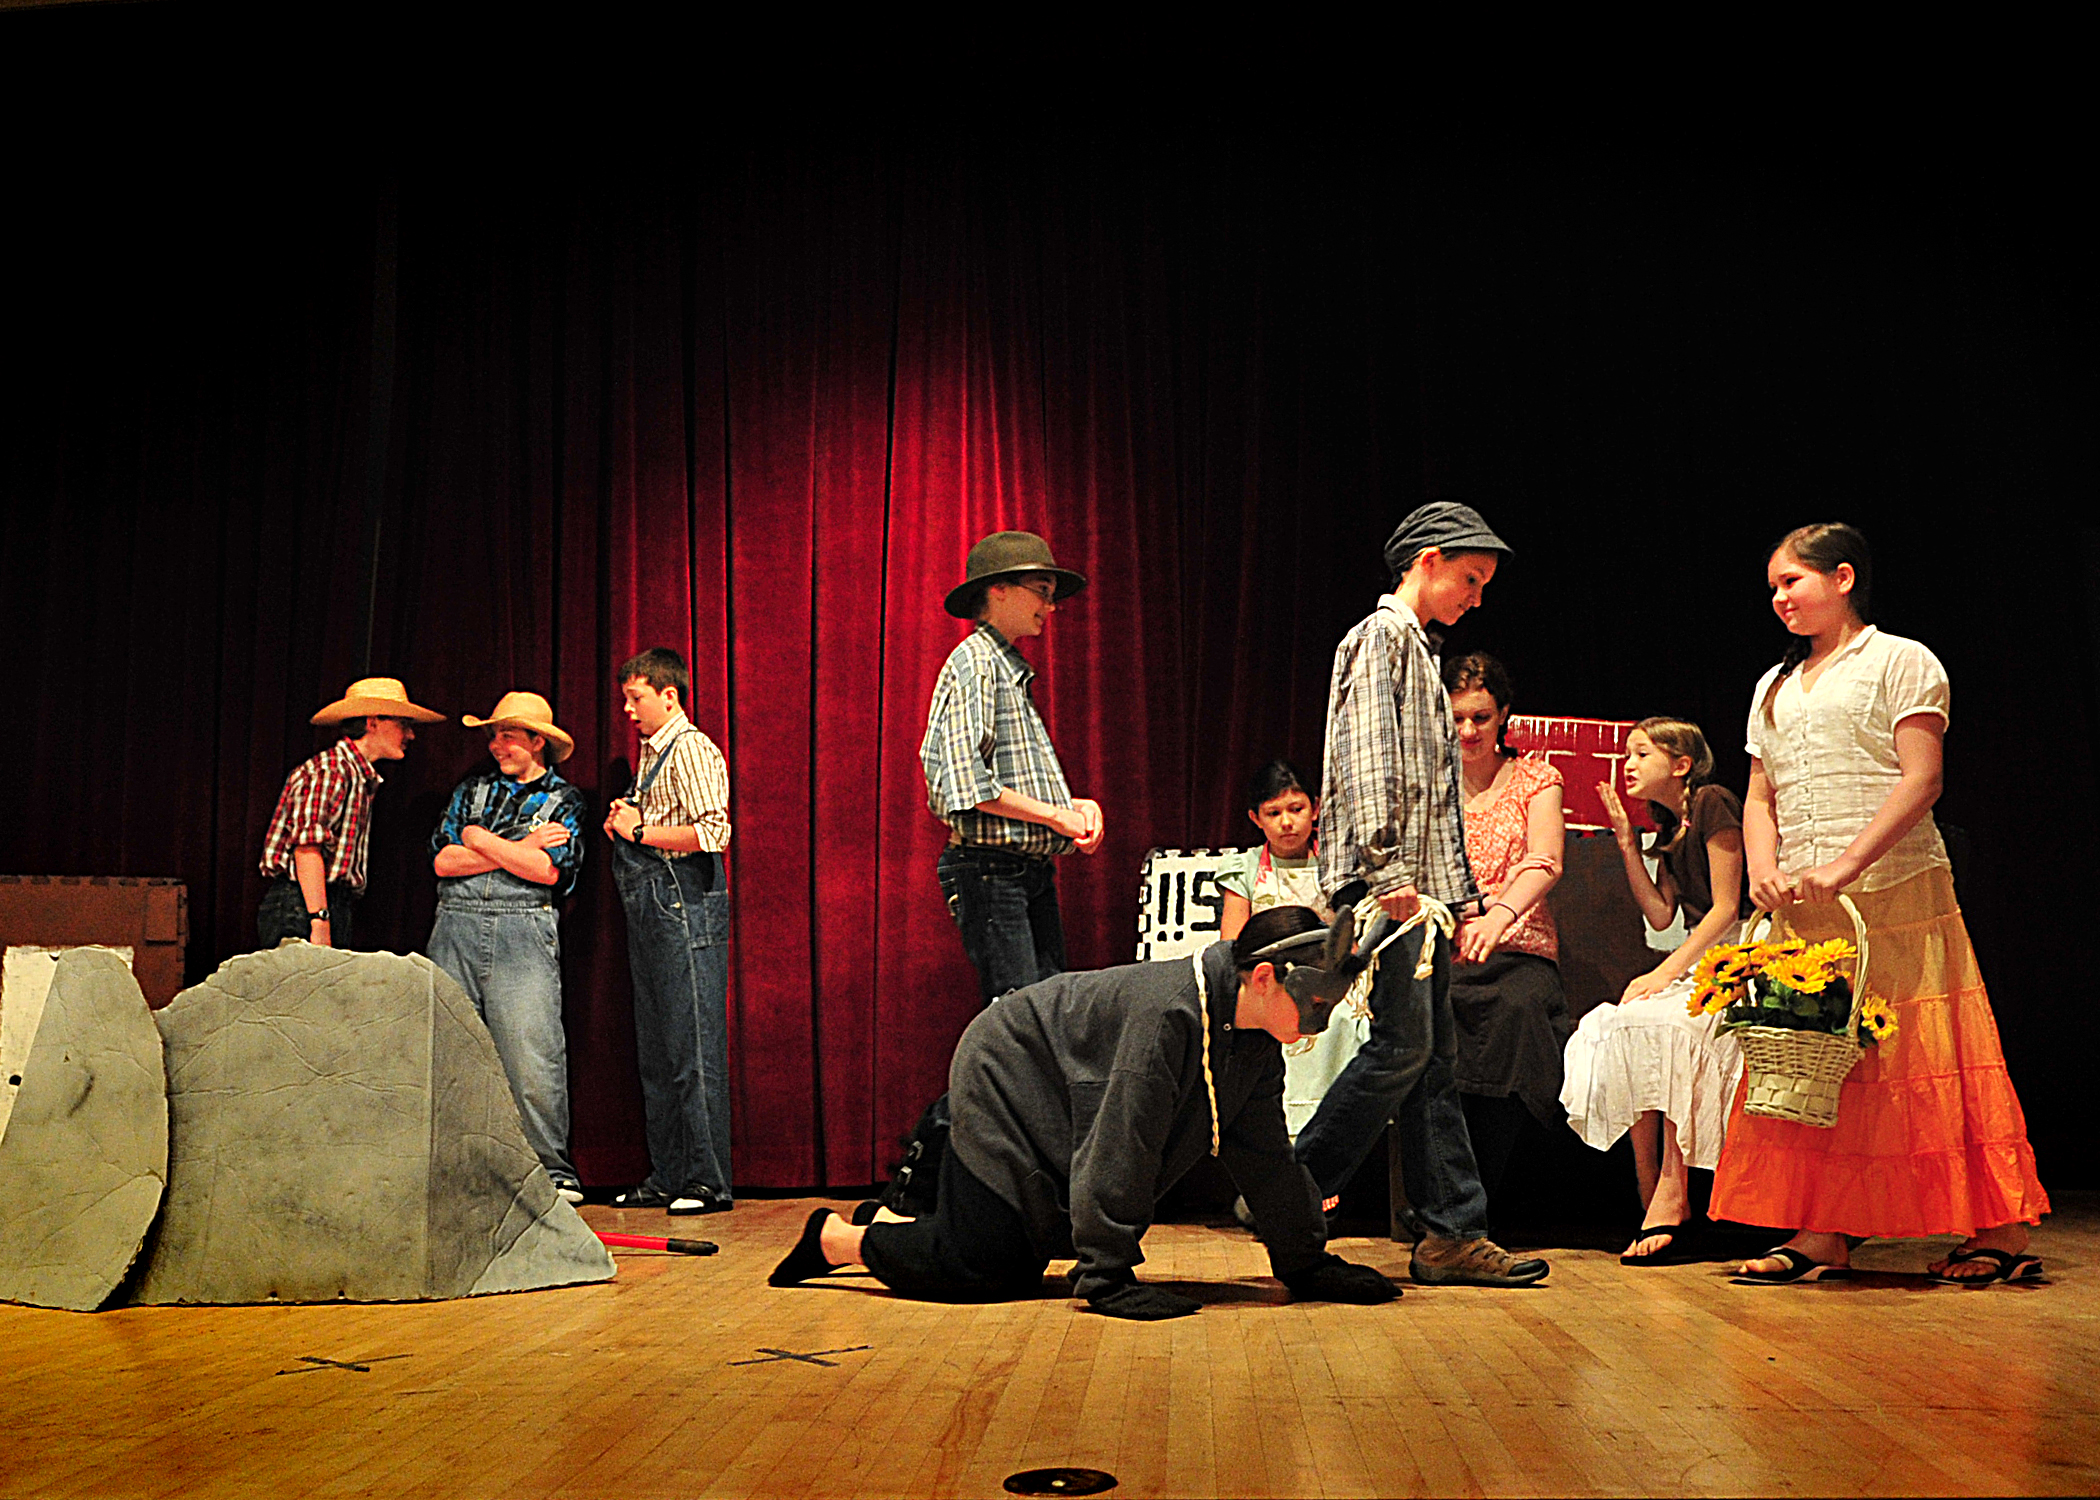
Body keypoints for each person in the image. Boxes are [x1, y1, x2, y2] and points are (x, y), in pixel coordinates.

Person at [768, 906, 1400, 1319]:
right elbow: (1121, 1141)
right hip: (1009, 1067)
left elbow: (1265, 1157)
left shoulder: (1254, 1043)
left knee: (1016, 1250)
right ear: (1262, 978)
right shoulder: (1168, 1017)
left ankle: (911, 1210)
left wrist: (1306, 1262)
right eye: (1315, 1003)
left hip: (1057, 1083)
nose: (1322, 1019)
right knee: (989, 1269)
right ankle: (839, 1240)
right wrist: (1106, 1274)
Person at [1716, 523, 2049, 1284]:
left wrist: (1847, 862)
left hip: (1895, 888)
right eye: (1772, 587)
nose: (1779, 599)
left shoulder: (1901, 660)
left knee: (1929, 1052)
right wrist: (1764, 869)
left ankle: (1999, 1226)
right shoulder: (1773, 685)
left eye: (1791, 582)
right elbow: (1760, 792)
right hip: (1806, 902)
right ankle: (1820, 1230)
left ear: (1841, 578)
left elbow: (1921, 779)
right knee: (1820, 1059)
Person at [1292, 500, 1549, 1287]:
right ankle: (1287, 1185)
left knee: (1428, 1056)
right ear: (1429, 559)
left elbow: (1432, 798)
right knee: (1407, 1048)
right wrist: (1390, 871)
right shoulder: (1383, 639)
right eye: (1470, 578)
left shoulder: (1418, 649)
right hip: (1391, 887)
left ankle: (1446, 1230)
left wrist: (1461, 894)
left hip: (1421, 891)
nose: (1476, 597)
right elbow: (1369, 762)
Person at [1561, 717, 1749, 1264]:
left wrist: (1666, 974)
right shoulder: (1667, 825)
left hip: (1740, 958)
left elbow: (1726, 908)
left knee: (1671, 1026)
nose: (1630, 764)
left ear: (1682, 764)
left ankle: (1674, 1191)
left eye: (1642, 753)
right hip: (1698, 961)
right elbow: (1663, 914)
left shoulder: (1713, 802)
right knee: (1624, 1024)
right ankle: (1652, 1193)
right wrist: (1628, 844)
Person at [920, 531, 1104, 1004]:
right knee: (1021, 1018)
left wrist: (1073, 806)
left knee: (1044, 1012)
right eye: (1041, 591)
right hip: (991, 870)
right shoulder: (976, 663)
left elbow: (999, 778)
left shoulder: (1003, 666)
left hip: (1021, 868)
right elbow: (969, 786)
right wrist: (1056, 816)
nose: (1051, 605)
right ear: (998, 589)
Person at [426, 691, 589, 1206]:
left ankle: (551, 1172)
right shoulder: (471, 789)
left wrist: (479, 839)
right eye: (494, 735)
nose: (496, 745)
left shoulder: (566, 800)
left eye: (508, 735)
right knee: (450, 1052)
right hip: (454, 925)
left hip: (523, 931)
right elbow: (443, 862)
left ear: (537, 741)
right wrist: (516, 847)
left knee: (531, 1053)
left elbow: (549, 872)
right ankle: (456, 1172)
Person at [603, 648, 736, 1216]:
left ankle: (708, 1181)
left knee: (693, 1048)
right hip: (654, 910)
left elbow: (713, 832)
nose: (628, 712)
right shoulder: (651, 754)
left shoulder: (692, 748)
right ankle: (669, 1173)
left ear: (669, 695)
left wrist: (641, 829)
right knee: (657, 1051)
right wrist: (630, 817)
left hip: (684, 907)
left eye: (636, 699)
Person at [1442, 653, 1569, 1220]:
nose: (1469, 731)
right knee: (1426, 1013)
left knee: (1516, 1012)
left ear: (1504, 717)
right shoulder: (1434, 786)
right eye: (1458, 719)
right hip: (1445, 947)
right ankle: (1437, 1203)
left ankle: (1479, 1205)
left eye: (1481, 718)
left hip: (1519, 949)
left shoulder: (1535, 778)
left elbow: (1544, 860)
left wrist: (1499, 917)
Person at [1218, 759, 1357, 1144]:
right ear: (1255, 817)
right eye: (1273, 813)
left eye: (1296, 810)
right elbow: (1231, 944)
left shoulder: (1336, 867)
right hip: (1269, 983)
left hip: (1324, 980)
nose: (1287, 822)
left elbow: (1353, 936)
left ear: (1315, 807)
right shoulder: (1244, 869)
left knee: (1344, 1019)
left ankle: (1333, 1138)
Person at [256, 676, 444, 950]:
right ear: (372, 722)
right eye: (403, 724)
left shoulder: (356, 776)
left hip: (326, 903)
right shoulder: (331, 771)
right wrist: (318, 920)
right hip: (302, 904)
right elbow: (307, 848)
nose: (410, 735)